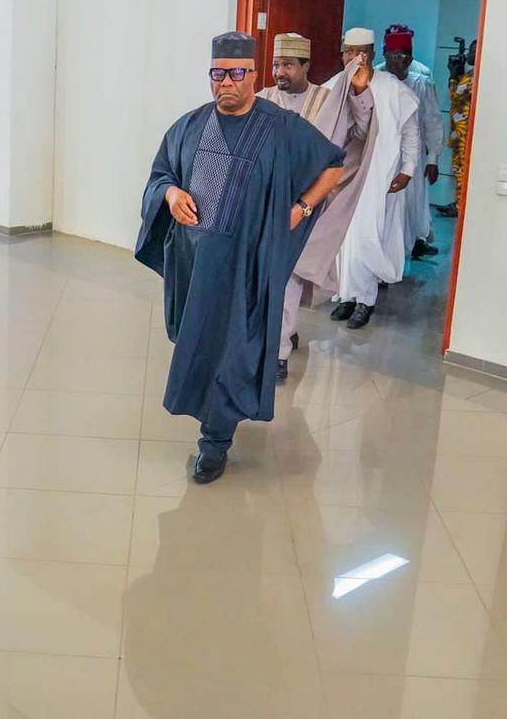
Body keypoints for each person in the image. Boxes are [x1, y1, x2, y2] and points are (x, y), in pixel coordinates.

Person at [135, 31, 344, 485]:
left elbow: (333, 163)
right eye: (218, 74)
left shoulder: (281, 127)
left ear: (253, 75)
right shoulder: (189, 126)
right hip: (194, 268)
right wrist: (170, 194)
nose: (225, 83)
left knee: (233, 354)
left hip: (247, 269)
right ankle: (212, 427)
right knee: (199, 348)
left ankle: (214, 443)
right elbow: (160, 175)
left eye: (235, 73)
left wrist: (302, 207)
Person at [259, 33, 375, 379]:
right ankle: (282, 333)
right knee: (267, 277)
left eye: (288, 65)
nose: (280, 72)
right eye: (276, 64)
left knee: (290, 275)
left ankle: (278, 354)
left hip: (309, 205)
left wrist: (359, 92)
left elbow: (362, 133)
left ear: (306, 66)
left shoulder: (328, 102)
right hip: (267, 203)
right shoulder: (263, 99)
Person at [328, 27, 420, 330]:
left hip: (378, 177)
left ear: (372, 54)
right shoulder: (332, 87)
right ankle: (345, 296)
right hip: (341, 179)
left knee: (367, 238)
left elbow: (410, 132)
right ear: (342, 55)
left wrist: (407, 169)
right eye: (349, 52)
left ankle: (365, 301)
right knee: (342, 239)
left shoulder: (393, 89)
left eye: (362, 52)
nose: (356, 58)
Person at [380, 24, 443, 260]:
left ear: (411, 57)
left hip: (412, 159)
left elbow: (433, 121)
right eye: (394, 55)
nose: (399, 60)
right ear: (384, 54)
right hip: (381, 157)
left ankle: (409, 248)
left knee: (411, 205)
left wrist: (433, 158)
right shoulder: (374, 78)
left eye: (404, 55)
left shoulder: (421, 84)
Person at [445, 39, 477, 218]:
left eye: (472, 51)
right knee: (459, 169)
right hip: (459, 131)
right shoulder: (471, 74)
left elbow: (456, 96)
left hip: (466, 133)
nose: (468, 54)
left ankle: (461, 206)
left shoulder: (475, 76)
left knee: (463, 170)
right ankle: (459, 203)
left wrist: (453, 76)